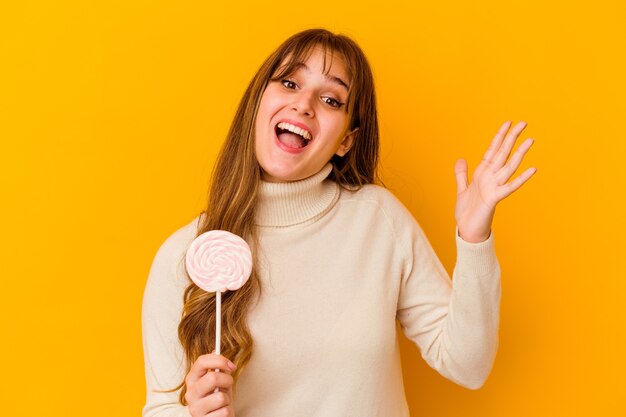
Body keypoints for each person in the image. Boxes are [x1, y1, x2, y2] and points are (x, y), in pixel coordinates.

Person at [141, 28, 536, 417]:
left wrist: (473, 239)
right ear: (258, 103)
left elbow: (468, 366)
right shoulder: (185, 255)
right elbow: (160, 407)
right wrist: (194, 414)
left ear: (346, 140)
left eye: (331, 99)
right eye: (290, 82)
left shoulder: (378, 221)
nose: (305, 104)